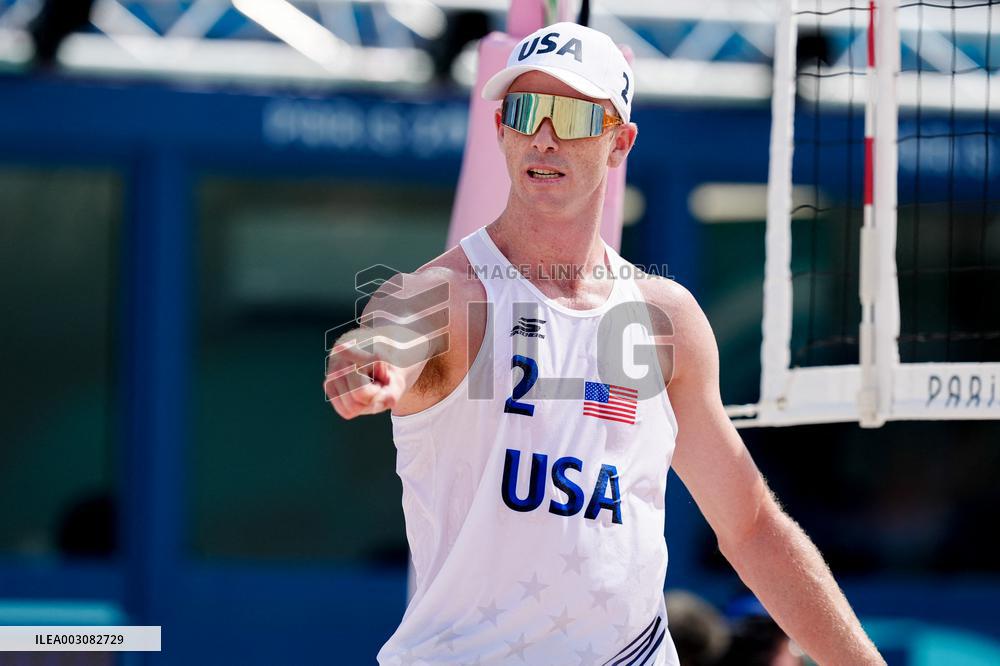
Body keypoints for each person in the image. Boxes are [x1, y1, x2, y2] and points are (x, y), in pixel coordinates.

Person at [324, 21, 885, 665]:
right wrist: (374, 357)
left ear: (620, 142)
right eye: (526, 110)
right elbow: (394, 325)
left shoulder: (661, 316)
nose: (544, 134)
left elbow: (752, 526)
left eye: (572, 114)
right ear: (501, 129)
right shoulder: (452, 293)